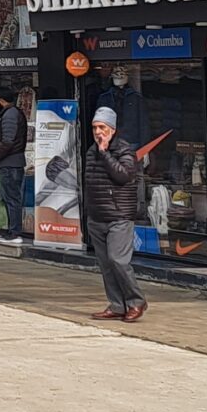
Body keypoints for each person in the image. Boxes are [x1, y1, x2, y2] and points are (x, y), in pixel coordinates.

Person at [83, 105, 148, 321]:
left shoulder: (124, 150)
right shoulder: (91, 151)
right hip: (97, 216)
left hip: (119, 215)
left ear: (112, 129)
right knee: (106, 264)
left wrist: (105, 154)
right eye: (94, 128)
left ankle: (136, 302)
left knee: (118, 260)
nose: (98, 132)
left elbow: (123, 176)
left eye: (102, 127)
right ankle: (117, 305)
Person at [0, 88, 30, 244]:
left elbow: (8, 141)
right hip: (12, 163)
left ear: (0, 100)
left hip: (10, 164)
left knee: (11, 198)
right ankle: (12, 231)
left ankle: (14, 233)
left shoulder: (10, 114)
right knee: (10, 198)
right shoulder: (14, 113)